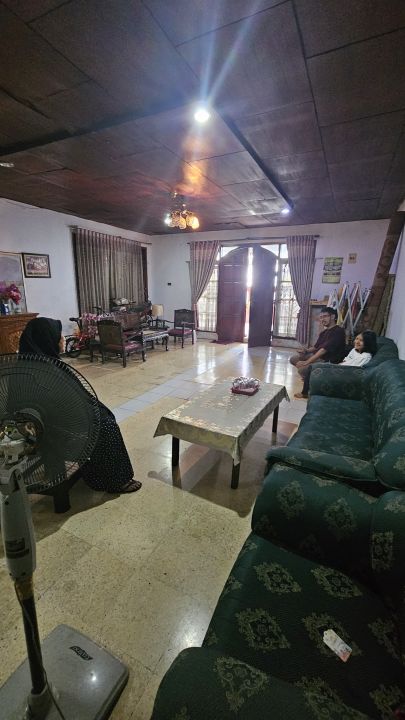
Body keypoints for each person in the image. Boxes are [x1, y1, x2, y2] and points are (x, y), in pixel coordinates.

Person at [19, 317, 141, 493]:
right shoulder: (46, 372)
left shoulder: (27, 366)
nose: (63, 339)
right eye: (59, 336)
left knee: (103, 419)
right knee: (107, 427)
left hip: (46, 427)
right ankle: (116, 480)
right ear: (46, 340)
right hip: (57, 432)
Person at [290, 306, 346, 399]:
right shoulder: (324, 332)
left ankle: (305, 392)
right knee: (293, 359)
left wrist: (306, 362)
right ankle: (308, 377)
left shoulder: (338, 331)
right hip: (319, 357)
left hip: (329, 360)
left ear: (332, 316)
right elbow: (315, 347)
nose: (322, 319)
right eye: (321, 317)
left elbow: (323, 350)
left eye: (325, 316)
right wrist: (305, 351)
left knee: (302, 369)